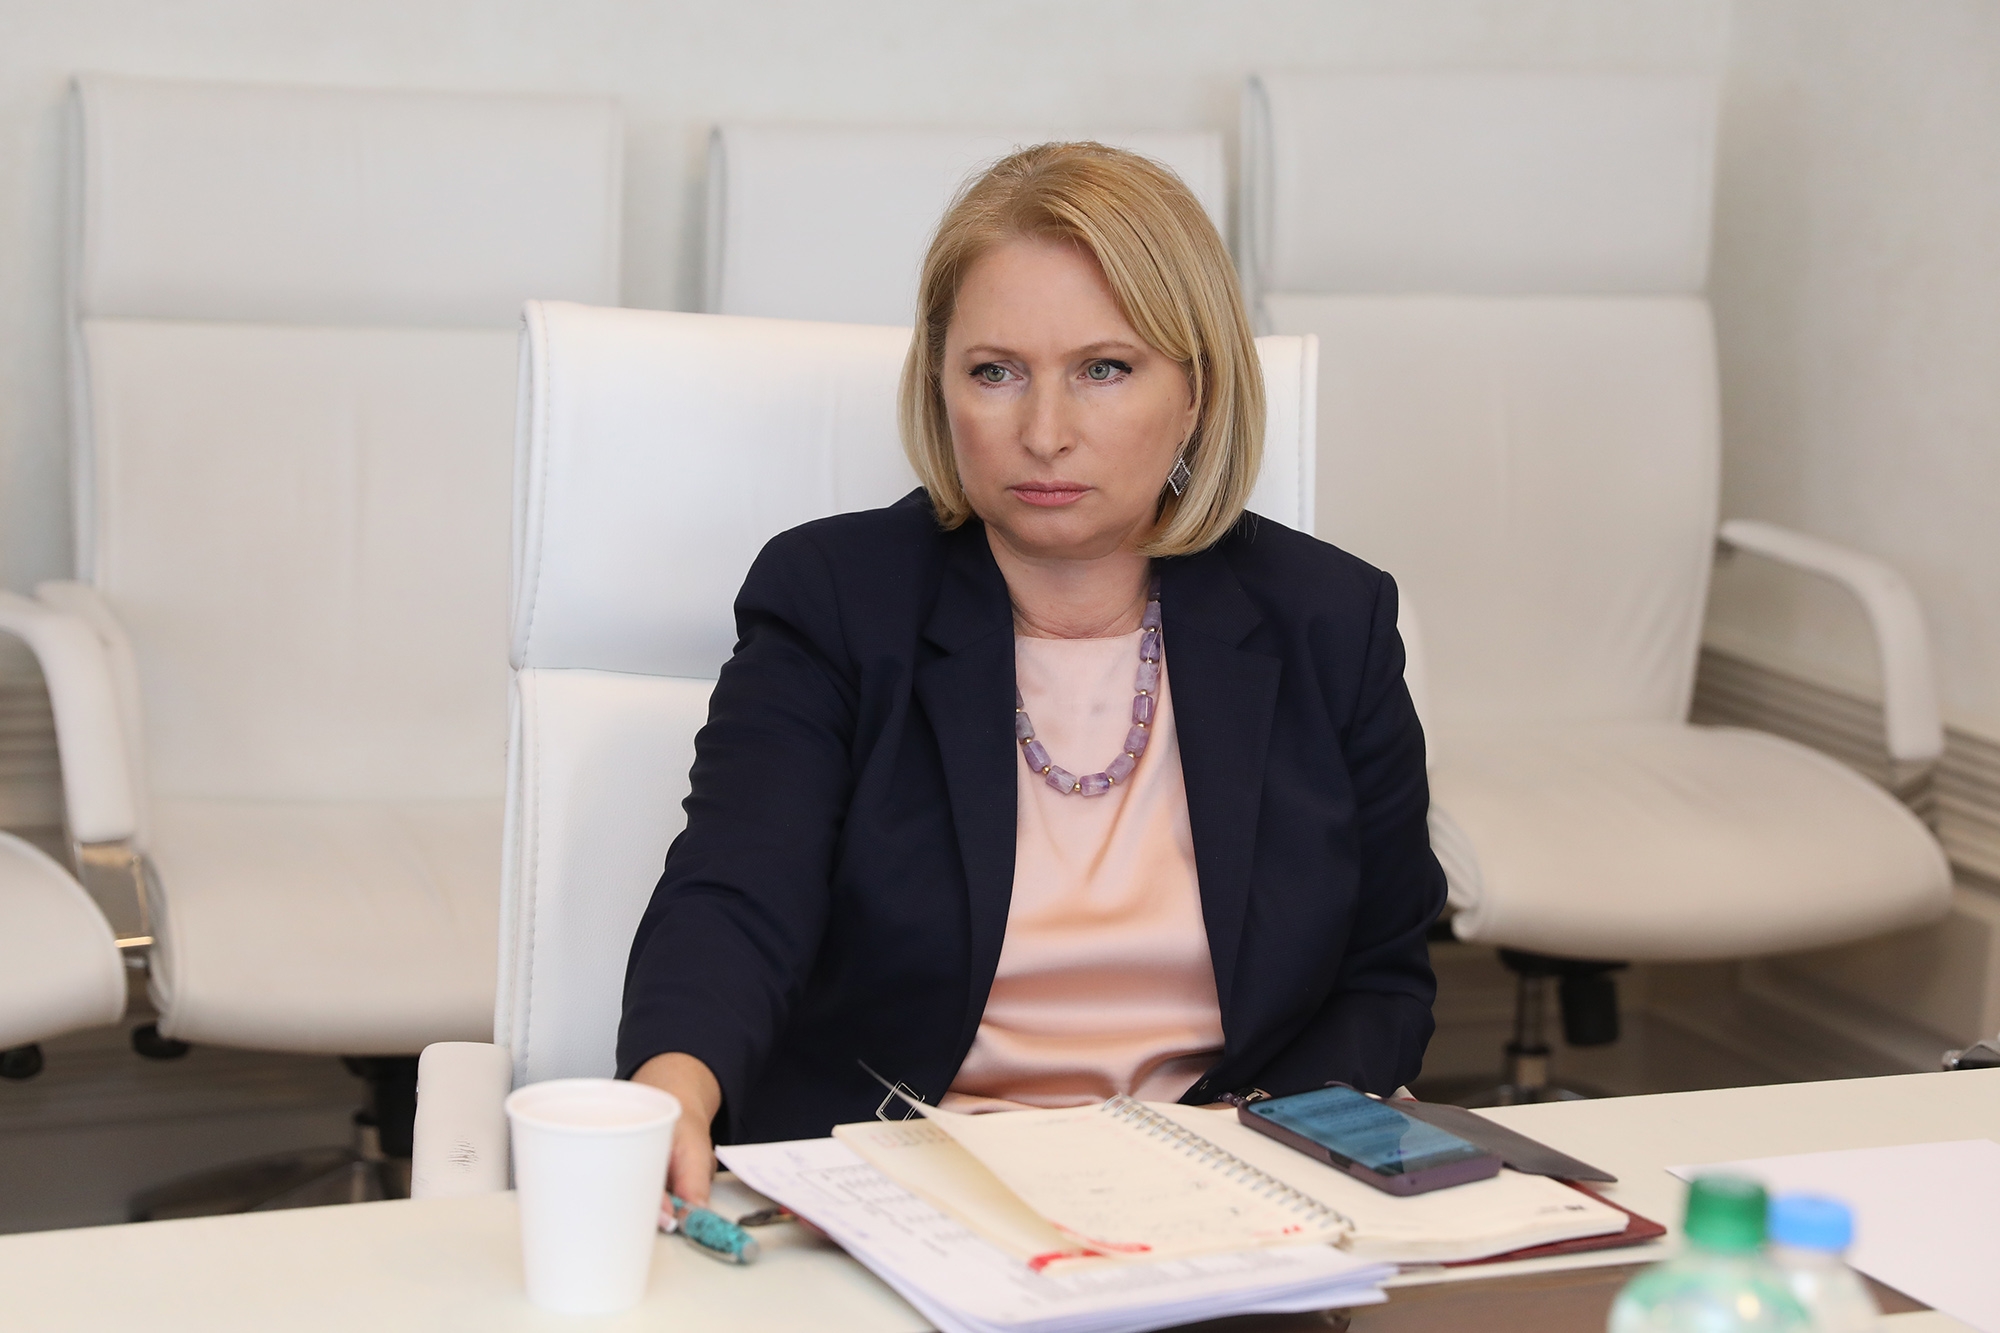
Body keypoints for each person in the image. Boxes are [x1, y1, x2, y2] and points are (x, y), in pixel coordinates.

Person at [619, 142, 1445, 1207]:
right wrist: (673, 1088)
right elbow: (737, 893)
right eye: (994, 371)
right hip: (908, 1185)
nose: (1044, 433)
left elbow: (1382, 976)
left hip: (1220, 1187)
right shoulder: (834, 598)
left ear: (1197, 390)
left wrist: (1244, 1148)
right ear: (941, 387)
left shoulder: (1330, 618)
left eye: (1104, 369)